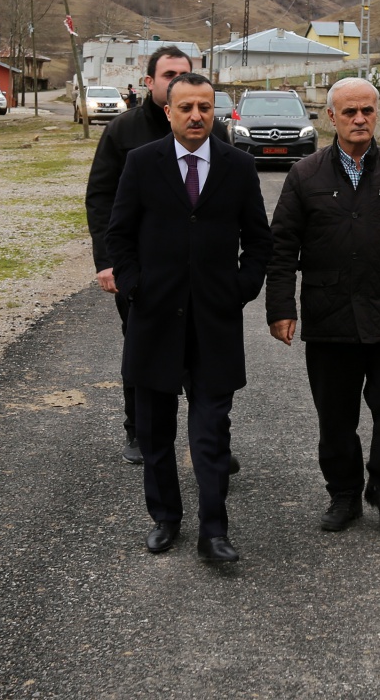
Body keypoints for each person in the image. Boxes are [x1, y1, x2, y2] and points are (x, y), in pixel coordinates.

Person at [105, 72, 272, 560]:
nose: (196, 116)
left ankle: (214, 531)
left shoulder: (238, 166)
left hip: (215, 323)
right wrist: (136, 288)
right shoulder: (141, 163)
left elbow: (260, 240)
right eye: (186, 108)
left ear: (214, 111)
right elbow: (119, 235)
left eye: (205, 107)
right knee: (155, 431)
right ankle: (165, 519)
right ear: (168, 112)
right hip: (154, 319)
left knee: (211, 431)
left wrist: (240, 289)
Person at [266, 77, 380, 535]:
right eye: (349, 112)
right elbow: (281, 247)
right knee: (336, 414)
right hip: (330, 317)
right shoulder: (305, 175)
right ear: (331, 118)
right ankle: (343, 493)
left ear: (377, 114)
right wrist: (280, 307)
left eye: (367, 110)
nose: (359, 119)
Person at [86, 46, 225, 467]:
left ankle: (212, 441)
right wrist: (109, 262)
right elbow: (101, 199)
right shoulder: (123, 131)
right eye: (168, 75)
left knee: (203, 357)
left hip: (199, 276)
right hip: (142, 273)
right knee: (143, 353)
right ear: (150, 83)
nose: (176, 81)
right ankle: (139, 431)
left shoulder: (212, 133)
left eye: (184, 73)